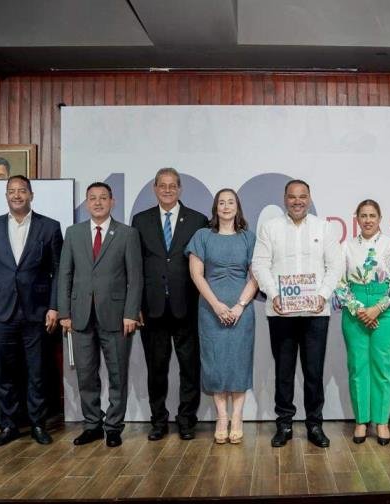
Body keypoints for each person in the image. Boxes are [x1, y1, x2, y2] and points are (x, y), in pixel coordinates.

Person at [0, 175, 63, 447]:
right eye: (11, 191)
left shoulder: (49, 227)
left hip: (36, 312)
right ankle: (9, 425)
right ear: (6, 196)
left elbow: (58, 271)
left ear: (31, 195)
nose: (17, 195)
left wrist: (54, 306)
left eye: (22, 191)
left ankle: (37, 424)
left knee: (36, 372)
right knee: (5, 373)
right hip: (1, 312)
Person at [251, 179, 343, 448]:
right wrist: (273, 293)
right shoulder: (270, 228)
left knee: (314, 371)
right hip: (281, 313)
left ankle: (315, 424)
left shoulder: (324, 228)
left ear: (310, 198)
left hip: (316, 312)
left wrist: (322, 295)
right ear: (284, 199)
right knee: (284, 371)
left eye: (302, 196)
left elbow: (335, 266)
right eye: (292, 197)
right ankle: (284, 424)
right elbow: (260, 265)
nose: (297, 201)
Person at [58, 182, 142, 448]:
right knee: (85, 374)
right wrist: (64, 312)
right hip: (80, 316)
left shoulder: (127, 234)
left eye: (103, 198)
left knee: (118, 373)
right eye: (92, 198)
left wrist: (131, 312)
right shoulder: (73, 233)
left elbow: (135, 279)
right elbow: (65, 275)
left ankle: (114, 426)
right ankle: (92, 425)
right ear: (86, 202)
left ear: (112, 201)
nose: (97, 203)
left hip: (117, 317)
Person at [131, 167, 208, 441]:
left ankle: (187, 420)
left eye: (172, 186)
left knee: (190, 368)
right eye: (162, 185)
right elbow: (135, 266)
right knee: (156, 369)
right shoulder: (140, 221)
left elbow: (205, 265)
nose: (167, 190)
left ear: (180, 189)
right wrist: (134, 306)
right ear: (154, 188)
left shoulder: (198, 220)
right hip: (151, 309)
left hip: (188, 306)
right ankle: (158, 421)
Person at [186, 189, 258, 444]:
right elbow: (197, 275)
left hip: (242, 310)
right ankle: (222, 417)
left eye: (231, 202)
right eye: (221, 203)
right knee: (215, 364)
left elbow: (256, 275)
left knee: (239, 363)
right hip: (210, 309)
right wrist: (216, 305)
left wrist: (239, 305)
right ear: (215, 208)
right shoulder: (202, 236)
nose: (226, 207)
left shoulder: (249, 238)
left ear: (238, 207)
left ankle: (237, 417)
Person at [334, 199, 390, 445]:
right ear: (356, 218)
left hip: (386, 309)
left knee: (383, 367)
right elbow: (339, 283)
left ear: (380, 218)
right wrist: (358, 308)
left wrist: (377, 308)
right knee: (357, 367)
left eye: (372, 215)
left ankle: (382, 422)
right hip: (355, 312)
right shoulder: (345, 246)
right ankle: (361, 421)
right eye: (363, 215)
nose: (367, 220)